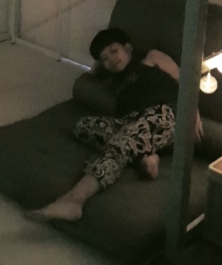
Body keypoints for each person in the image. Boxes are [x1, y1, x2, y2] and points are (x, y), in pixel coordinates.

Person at [26, 27, 203, 222]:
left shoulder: (152, 57)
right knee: (84, 126)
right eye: (105, 58)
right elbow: (92, 73)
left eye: (113, 51)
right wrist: (101, 62)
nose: (111, 59)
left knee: (121, 143)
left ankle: (74, 200)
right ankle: (143, 156)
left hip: (165, 115)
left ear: (127, 48)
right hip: (131, 121)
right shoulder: (113, 80)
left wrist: (193, 113)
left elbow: (186, 81)